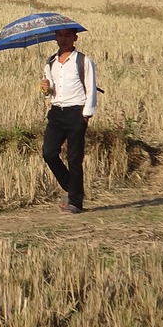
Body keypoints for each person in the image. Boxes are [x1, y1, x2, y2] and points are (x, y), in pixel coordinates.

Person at [39, 27, 97, 213]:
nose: (63, 39)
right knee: (48, 153)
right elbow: (49, 93)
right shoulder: (50, 62)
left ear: (75, 38)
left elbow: (91, 88)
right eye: (59, 35)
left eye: (67, 35)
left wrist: (86, 115)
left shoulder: (83, 61)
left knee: (74, 158)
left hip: (76, 113)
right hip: (56, 112)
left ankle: (76, 203)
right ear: (55, 37)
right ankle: (72, 190)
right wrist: (45, 88)